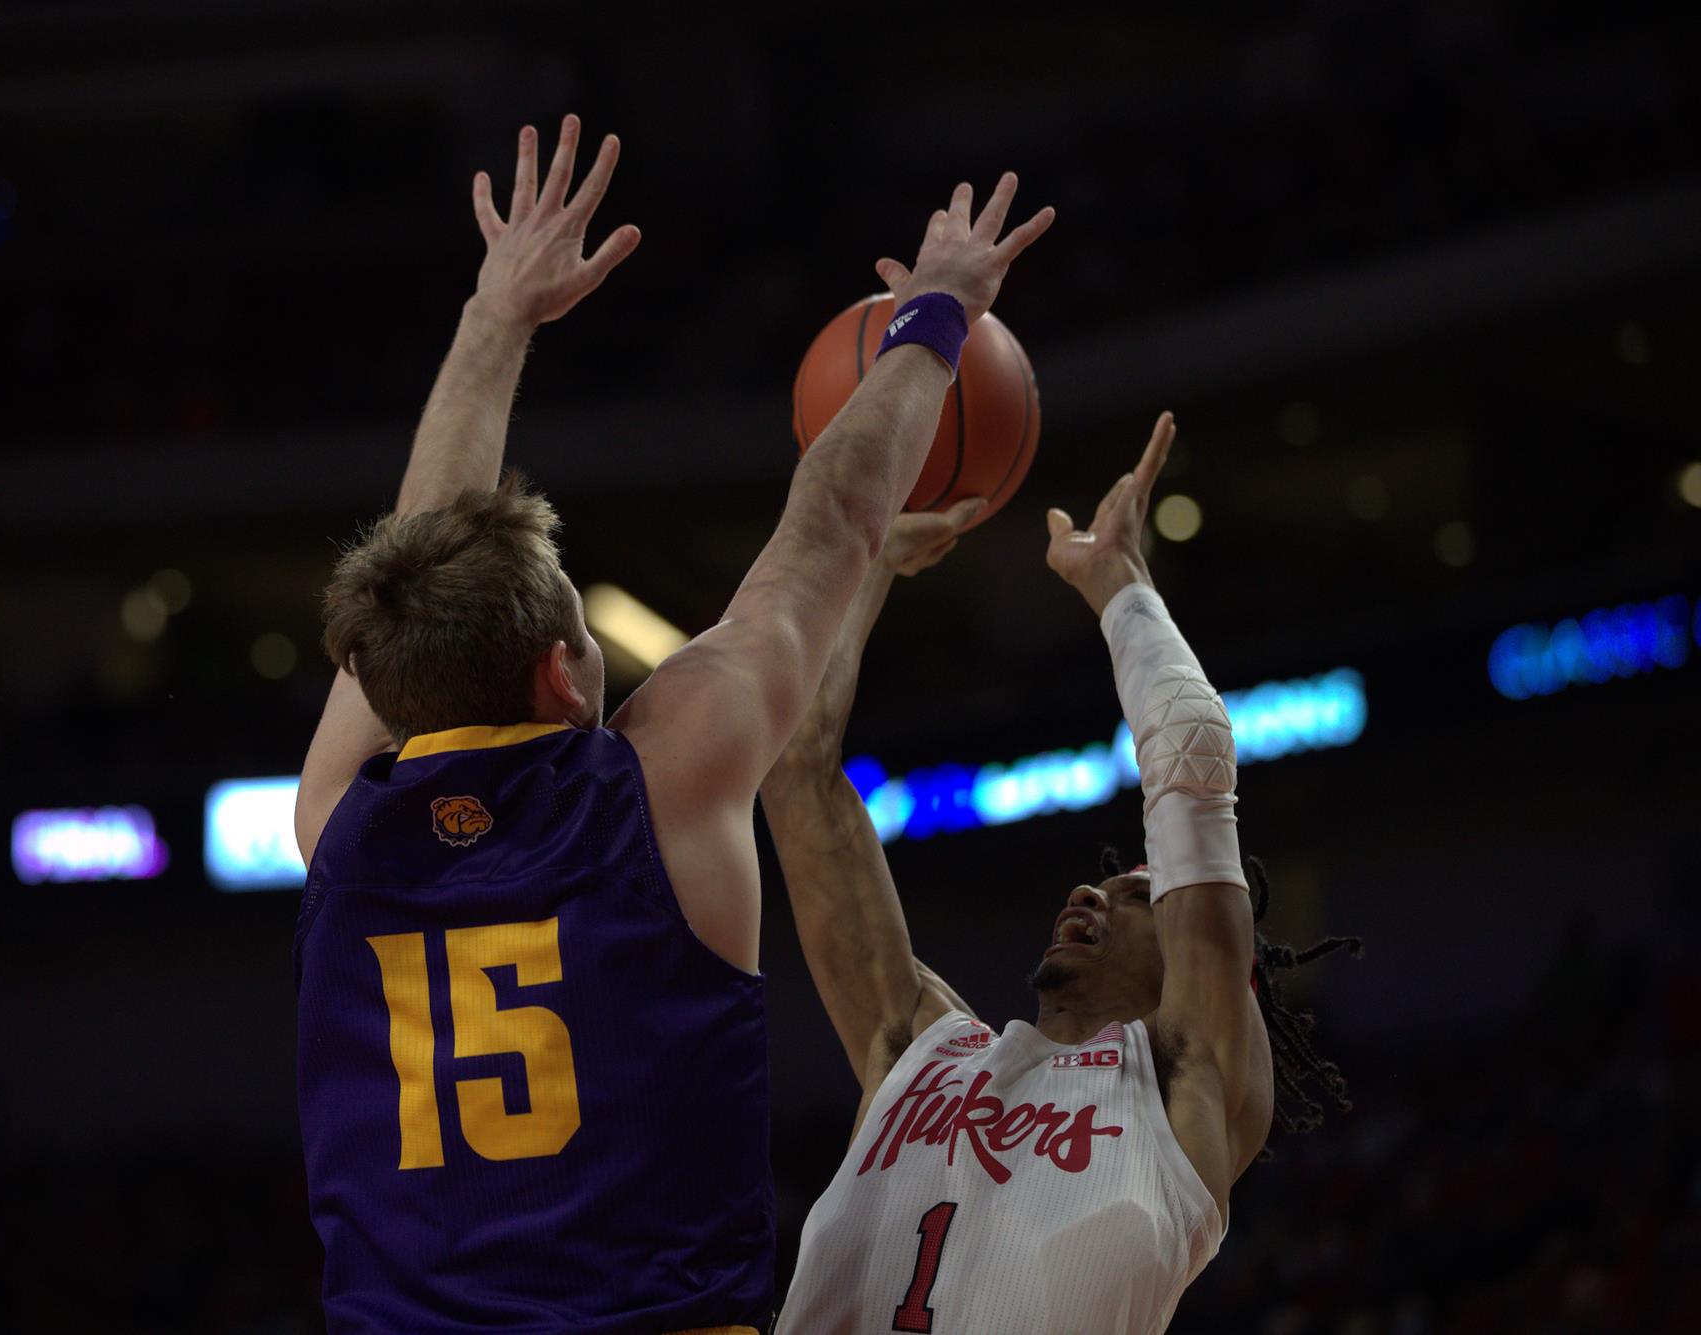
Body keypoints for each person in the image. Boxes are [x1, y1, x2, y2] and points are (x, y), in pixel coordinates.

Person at [289, 113, 1055, 1334]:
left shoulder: (337, 823)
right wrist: (938, 313)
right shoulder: (658, 784)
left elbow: (410, 565)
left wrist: (493, 319)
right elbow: (837, 514)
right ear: (560, 676)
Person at [762, 415, 1360, 1333]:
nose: (1093, 892)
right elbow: (795, 762)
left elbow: (1193, 762)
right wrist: (864, 553)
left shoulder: (1183, 1083)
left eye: (1138, 895)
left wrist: (1120, 585)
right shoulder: (916, 1050)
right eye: (1105, 884)